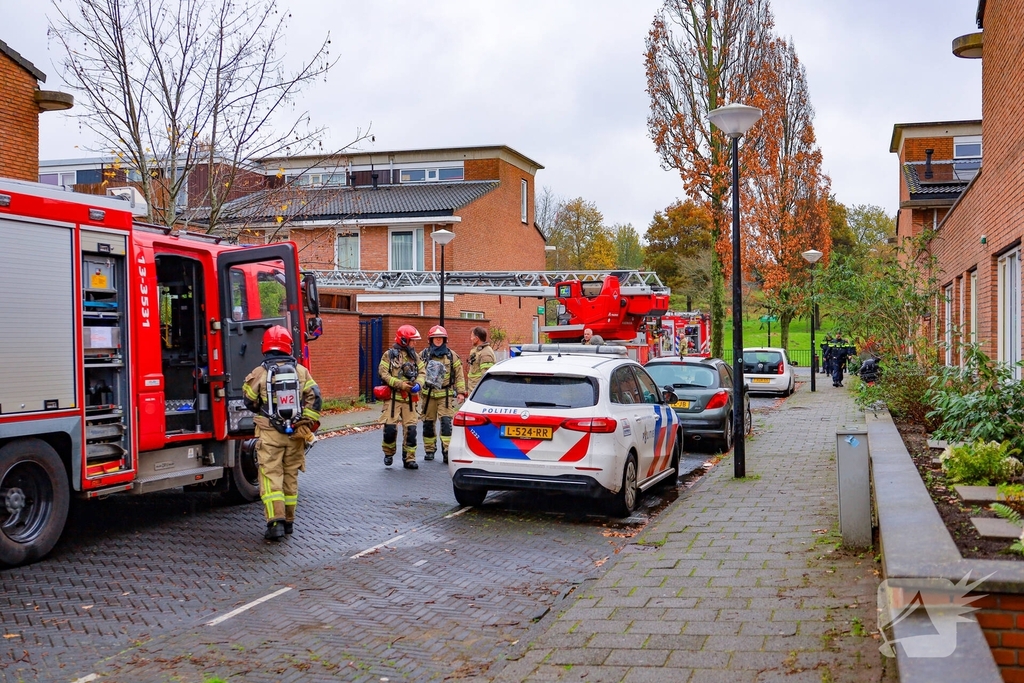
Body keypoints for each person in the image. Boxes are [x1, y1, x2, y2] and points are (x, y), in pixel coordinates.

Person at [242, 325, 322, 541]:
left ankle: (275, 523)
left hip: (270, 434)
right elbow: (315, 397)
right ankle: (289, 522)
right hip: (295, 434)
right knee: (290, 477)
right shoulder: (301, 371)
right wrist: (305, 422)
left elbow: (248, 400)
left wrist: (263, 408)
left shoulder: (260, 373)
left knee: (271, 476)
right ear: (289, 347)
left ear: (265, 347)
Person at [379, 324, 426, 469]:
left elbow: (422, 372)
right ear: (404, 340)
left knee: (411, 430)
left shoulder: (415, 357)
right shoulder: (389, 355)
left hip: (410, 400)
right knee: (390, 429)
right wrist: (400, 384)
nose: (415, 343)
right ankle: (388, 453)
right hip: (393, 399)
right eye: (413, 340)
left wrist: (418, 384)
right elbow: (383, 373)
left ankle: (409, 458)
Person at [419, 325, 466, 464]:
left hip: (445, 396)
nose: (438, 340)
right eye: (435, 338)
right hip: (428, 396)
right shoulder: (423, 355)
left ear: (445, 339)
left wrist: (461, 392)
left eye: (440, 338)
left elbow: (459, 375)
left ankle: (447, 451)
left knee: (446, 424)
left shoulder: (452, 356)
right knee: (428, 423)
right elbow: (417, 372)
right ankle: (429, 450)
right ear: (430, 339)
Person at [466, 326, 496, 395]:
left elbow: (487, 377)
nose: (471, 339)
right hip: (474, 392)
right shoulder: (478, 351)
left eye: (472, 336)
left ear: (477, 339)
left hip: (480, 393)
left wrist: (484, 396)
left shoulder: (485, 353)